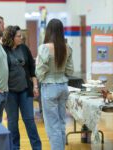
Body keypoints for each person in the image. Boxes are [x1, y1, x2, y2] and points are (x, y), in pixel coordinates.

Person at [36, 18, 74, 150]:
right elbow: (70, 70)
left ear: (49, 31)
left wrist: (41, 79)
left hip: (49, 86)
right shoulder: (67, 48)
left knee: (53, 125)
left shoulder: (44, 48)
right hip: (63, 86)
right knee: (62, 122)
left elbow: (40, 71)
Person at [2, 25, 41, 150]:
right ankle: (14, 147)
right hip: (10, 93)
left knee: (29, 120)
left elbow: (32, 69)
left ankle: (37, 147)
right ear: (11, 37)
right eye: (18, 36)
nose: (21, 37)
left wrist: (35, 86)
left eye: (21, 35)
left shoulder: (24, 48)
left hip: (25, 90)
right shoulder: (3, 50)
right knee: (12, 123)